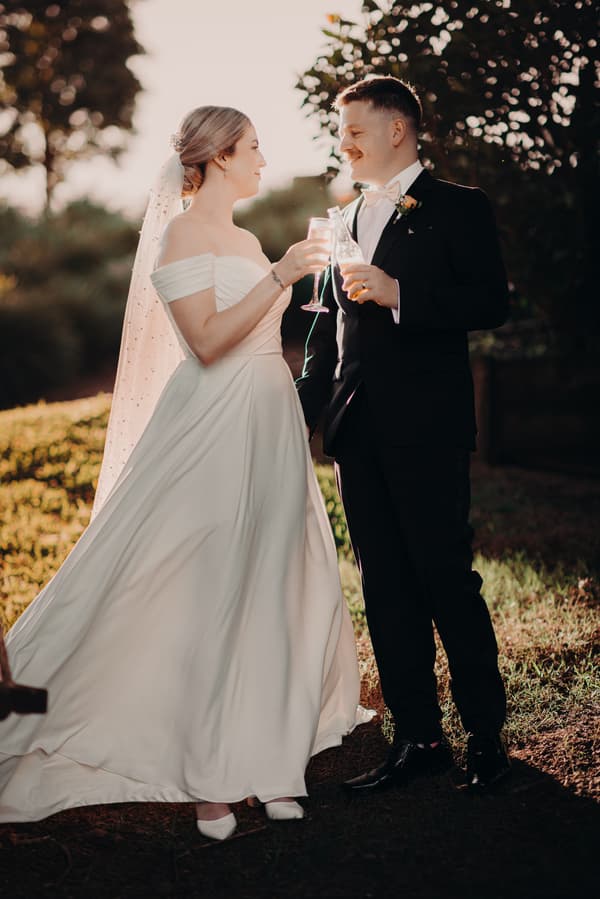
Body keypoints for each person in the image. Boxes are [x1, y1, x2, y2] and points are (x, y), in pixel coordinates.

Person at [0, 106, 370, 840]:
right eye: (255, 147)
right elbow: (205, 342)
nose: (264, 159)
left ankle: (268, 760)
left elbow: (264, 324)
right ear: (220, 157)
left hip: (268, 419)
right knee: (209, 588)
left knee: (270, 581)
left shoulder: (244, 235)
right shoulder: (182, 235)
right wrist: (278, 274)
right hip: (213, 425)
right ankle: (209, 783)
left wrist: (299, 278)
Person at [297, 76, 510, 793]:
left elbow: (491, 301)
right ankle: (418, 735)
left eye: (354, 128)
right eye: (340, 131)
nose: (344, 142)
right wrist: (305, 411)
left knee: (445, 578)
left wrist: (400, 295)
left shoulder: (458, 207)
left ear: (398, 128)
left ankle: (486, 738)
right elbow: (325, 330)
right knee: (384, 586)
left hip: (429, 426)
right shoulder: (339, 218)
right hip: (356, 432)